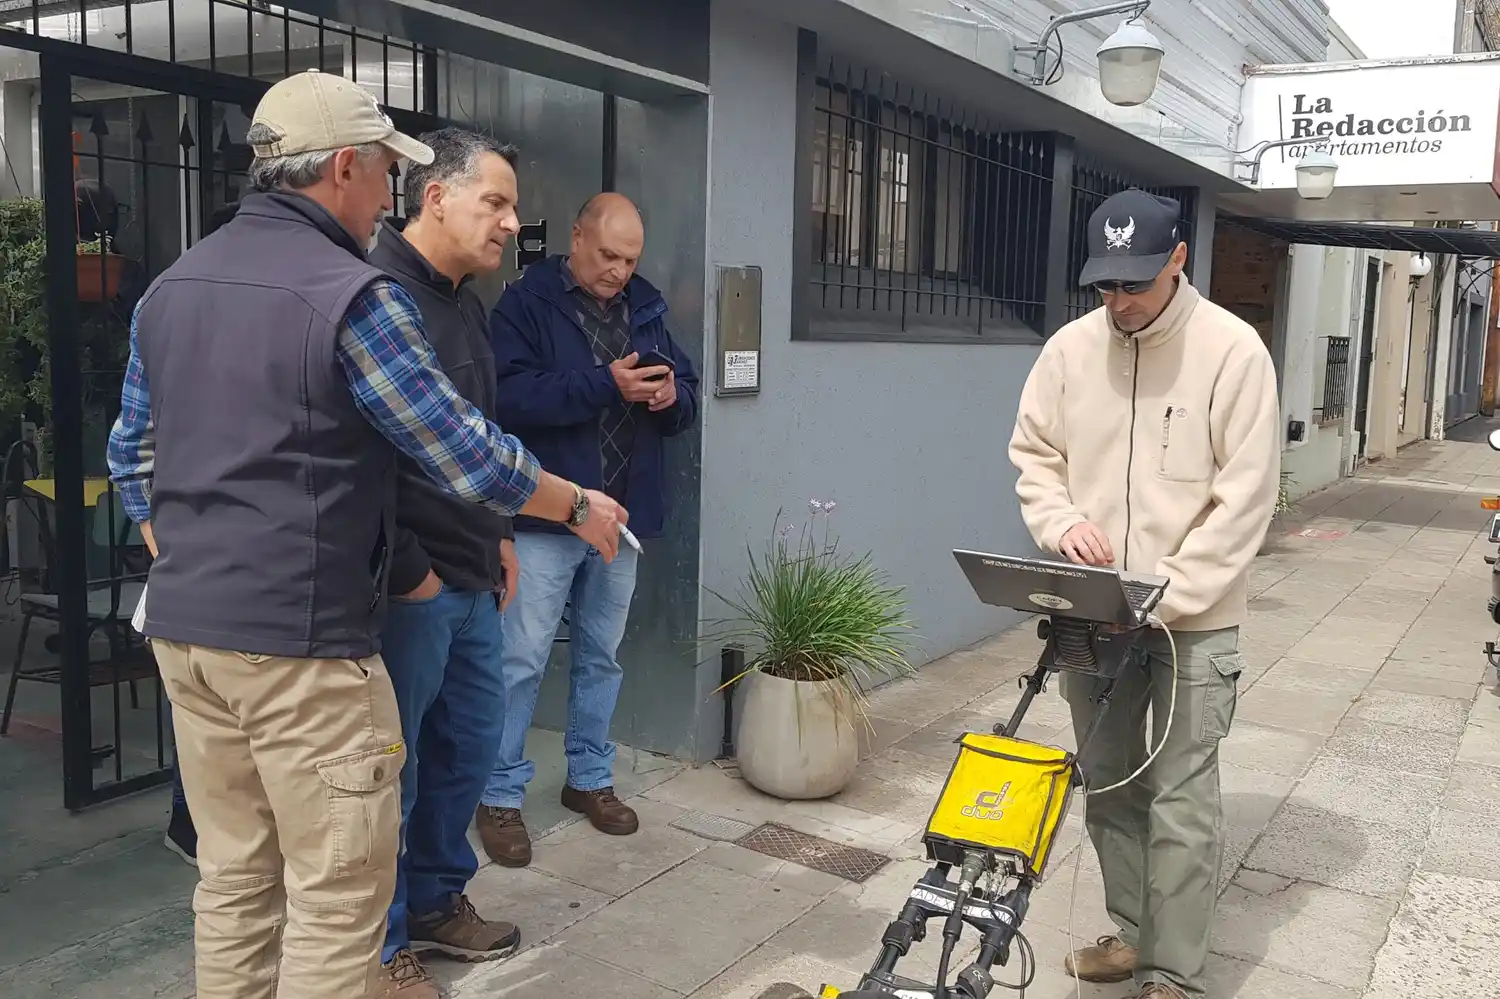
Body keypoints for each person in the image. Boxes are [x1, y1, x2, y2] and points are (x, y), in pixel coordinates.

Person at [106, 69, 627, 999]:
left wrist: (190, 561)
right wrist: (576, 505)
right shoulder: (354, 297)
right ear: (342, 167)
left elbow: (130, 460)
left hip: (188, 638)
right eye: (386, 170)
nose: (390, 193)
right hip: (301, 649)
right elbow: (462, 454)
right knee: (337, 903)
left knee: (233, 884)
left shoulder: (171, 288)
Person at [1008, 189, 1280, 999]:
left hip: (1196, 620)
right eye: (1106, 286)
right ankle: (1134, 932)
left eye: (1135, 283)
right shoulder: (1067, 351)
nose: (1120, 302)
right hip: (1094, 611)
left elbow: (1246, 496)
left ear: (1178, 260)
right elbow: (1035, 455)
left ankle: (1176, 974)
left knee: (1184, 798)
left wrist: (1171, 592)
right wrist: (1059, 527)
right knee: (1110, 783)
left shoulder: (1233, 352)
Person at [476, 192, 698, 867]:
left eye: (629, 259)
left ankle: (589, 778)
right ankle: (499, 795)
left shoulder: (648, 307)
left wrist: (669, 396)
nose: (618, 271)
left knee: (602, 654)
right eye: (608, 255)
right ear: (576, 238)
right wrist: (607, 384)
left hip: (619, 519)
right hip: (546, 515)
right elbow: (508, 398)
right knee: (520, 659)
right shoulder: (524, 304)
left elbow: (685, 390)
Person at [364, 127, 527, 998]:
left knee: (466, 750)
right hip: (414, 581)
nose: (509, 222)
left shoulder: (466, 300)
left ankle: (436, 900)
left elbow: (484, 436)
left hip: (472, 573)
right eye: (493, 202)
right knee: (397, 763)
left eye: (511, 206)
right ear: (434, 196)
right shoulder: (378, 295)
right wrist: (413, 570)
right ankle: (383, 941)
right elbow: (368, 461)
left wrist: (500, 531)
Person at [161, 197, 243, 870]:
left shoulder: (167, 309)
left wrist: (160, 537)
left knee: (207, 721)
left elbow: (130, 448)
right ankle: (192, 819)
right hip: (237, 570)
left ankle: (194, 822)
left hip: (196, 568)